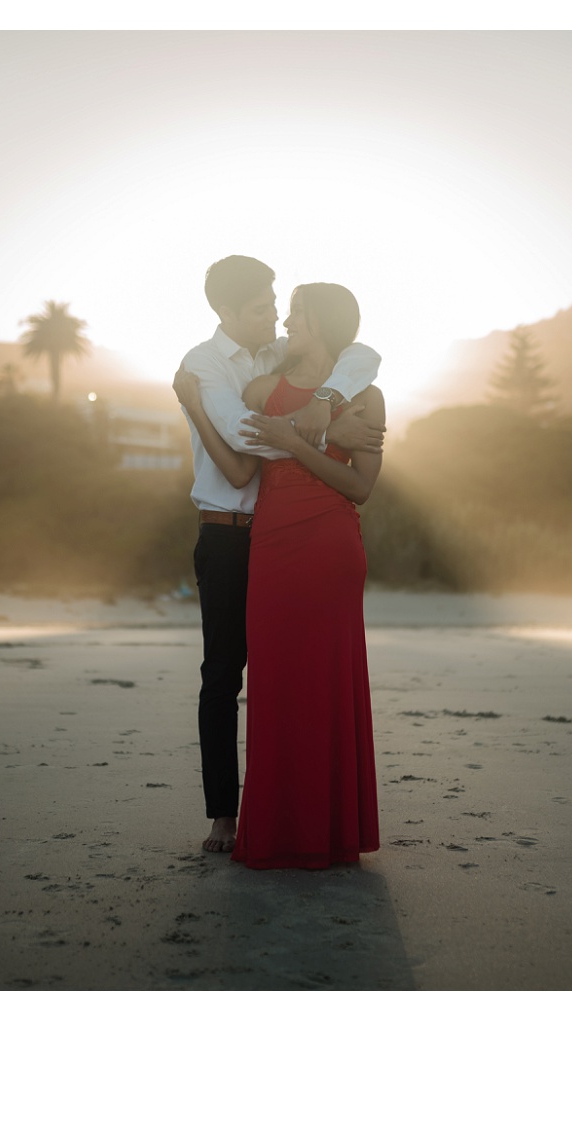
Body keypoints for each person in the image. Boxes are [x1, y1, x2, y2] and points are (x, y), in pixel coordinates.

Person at [174, 256, 385, 855]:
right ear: (227, 313)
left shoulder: (274, 357)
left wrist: (330, 402)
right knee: (224, 675)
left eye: (279, 306)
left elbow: (362, 353)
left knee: (291, 675)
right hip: (227, 532)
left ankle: (310, 809)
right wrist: (325, 430)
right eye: (265, 307)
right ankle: (224, 816)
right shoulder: (205, 365)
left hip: (281, 533)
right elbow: (244, 445)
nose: (275, 315)